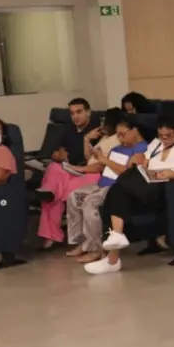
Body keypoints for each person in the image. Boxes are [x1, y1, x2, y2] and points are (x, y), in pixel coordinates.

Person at [86, 113, 174, 275]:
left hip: (168, 191)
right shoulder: (156, 144)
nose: (164, 139)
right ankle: (114, 250)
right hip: (146, 186)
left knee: (121, 186)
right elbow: (144, 160)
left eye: (168, 135)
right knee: (118, 193)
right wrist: (142, 163)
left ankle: (113, 253)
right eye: (161, 135)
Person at [65, 117, 148, 264]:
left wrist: (104, 159)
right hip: (102, 182)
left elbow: (128, 172)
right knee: (74, 196)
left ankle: (95, 249)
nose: (120, 138)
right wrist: (81, 167)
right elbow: (102, 166)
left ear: (135, 131)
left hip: (117, 187)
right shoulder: (117, 148)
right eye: (118, 135)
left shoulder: (141, 148)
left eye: (123, 134)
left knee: (90, 203)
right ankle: (81, 243)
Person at [36, 102, 115, 250]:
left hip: (88, 172)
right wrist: (59, 155)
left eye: (79, 112)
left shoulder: (98, 131)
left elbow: (93, 161)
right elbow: (56, 151)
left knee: (54, 193)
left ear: (88, 112)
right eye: (72, 113)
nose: (75, 116)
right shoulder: (68, 130)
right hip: (70, 170)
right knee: (53, 168)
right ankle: (50, 192)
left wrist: (86, 140)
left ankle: (51, 235)